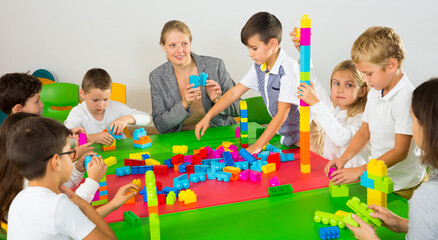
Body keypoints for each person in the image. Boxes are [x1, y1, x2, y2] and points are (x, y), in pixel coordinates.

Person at [195, 12, 326, 154]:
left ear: (272, 43)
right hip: (287, 134)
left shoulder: (287, 70)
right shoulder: (260, 66)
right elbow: (234, 92)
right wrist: (209, 116)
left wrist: (258, 146)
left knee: (310, 171)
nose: (250, 54)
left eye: (254, 48)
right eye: (249, 48)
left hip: (308, 132)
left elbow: (282, 114)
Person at [325, 26, 426, 199]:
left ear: (391, 65)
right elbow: (365, 131)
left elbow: (400, 151)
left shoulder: (405, 99)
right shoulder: (375, 90)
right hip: (378, 174)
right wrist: (344, 158)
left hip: (403, 184)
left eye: (368, 73)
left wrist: (359, 171)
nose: (365, 79)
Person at [0, 114, 137, 232]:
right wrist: (92, 181)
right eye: (68, 153)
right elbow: (73, 211)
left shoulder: (27, 178)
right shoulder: (39, 197)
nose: (72, 155)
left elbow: (61, 189)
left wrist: (77, 168)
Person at [346, 78, 438, 240]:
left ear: (428, 127)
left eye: (412, 119)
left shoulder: (428, 196)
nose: (410, 127)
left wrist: (371, 239)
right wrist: (403, 224)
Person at [149, 20, 240, 133]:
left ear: (190, 42)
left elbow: (239, 108)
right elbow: (159, 124)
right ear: (163, 46)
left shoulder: (215, 66)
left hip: (217, 131)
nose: (180, 50)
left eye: (184, 44)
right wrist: (183, 104)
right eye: (172, 45)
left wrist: (218, 100)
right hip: (181, 137)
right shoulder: (157, 77)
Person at [297, 60, 370, 167]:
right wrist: (304, 55)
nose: (340, 90)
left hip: (357, 179)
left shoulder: (362, 119)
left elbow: (342, 139)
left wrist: (315, 103)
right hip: (332, 172)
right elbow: (315, 84)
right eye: (336, 83)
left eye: (349, 85)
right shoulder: (334, 108)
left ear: (362, 91)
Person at [65, 68, 151, 145]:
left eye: (105, 99)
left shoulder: (115, 107)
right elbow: (66, 139)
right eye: (95, 100)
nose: (101, 105)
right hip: (93, 157)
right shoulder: (78, 112)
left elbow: (147, 118)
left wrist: (127, 119)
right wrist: (92, 138)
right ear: (83, 94)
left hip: (118, 152)